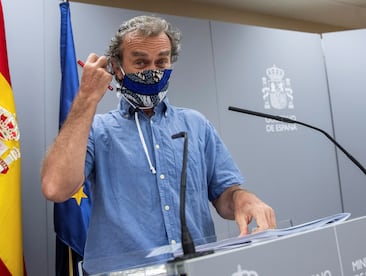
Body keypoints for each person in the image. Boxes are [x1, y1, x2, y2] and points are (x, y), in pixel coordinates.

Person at [41, 15, 276, 274]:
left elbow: (225, 196)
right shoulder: (97, 131)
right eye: (140, 62)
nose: (153, 71)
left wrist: (244, 199)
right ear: (117, 68)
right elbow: (55, 188)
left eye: (161, 61)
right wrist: (86, 98)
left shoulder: (195, 125)